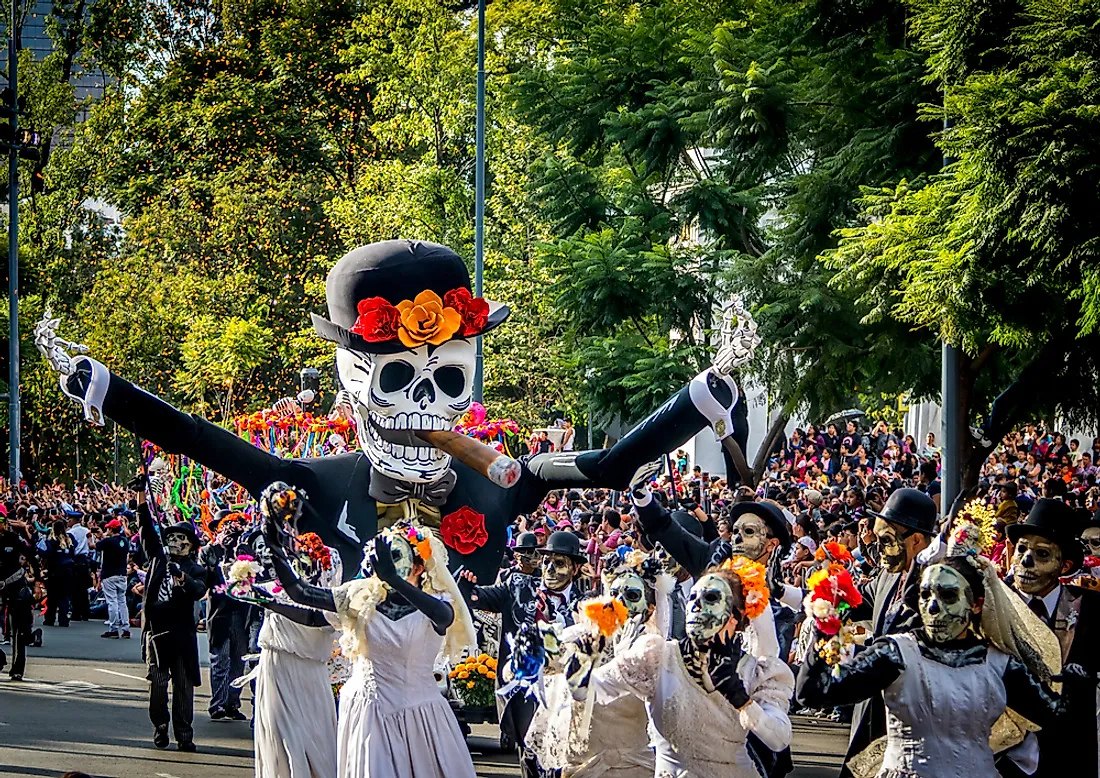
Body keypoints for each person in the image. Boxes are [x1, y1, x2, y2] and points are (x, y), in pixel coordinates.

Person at [798, 522, 1079, 778]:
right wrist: (826, 629)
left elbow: (1057, 721)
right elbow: (815, 692)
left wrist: (1078, 684)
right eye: (925, 595)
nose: (933, 607)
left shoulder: (1000, 665)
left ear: (976, 604)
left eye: (947, 596)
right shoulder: (897, 654)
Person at [264, 506, 477, 778]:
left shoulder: (436, 605)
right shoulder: (361, 600)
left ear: (419, 566)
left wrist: (393, 581)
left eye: (398, 557)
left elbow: (443, 616)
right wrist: (274, 546)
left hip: (421, 716)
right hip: (369, 713)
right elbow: (300, 592)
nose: (388, 565)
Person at [585, 558, 793, 778]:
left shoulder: (756, 672)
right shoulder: (656, 657)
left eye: (711, 598)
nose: (696, 605)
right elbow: (595, 688)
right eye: (693, 596)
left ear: (737, 616)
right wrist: (578, 661)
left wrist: (741, 699)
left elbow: (779, 739)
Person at [228, 486, 344, 778]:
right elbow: (275, 590)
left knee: (313, 741)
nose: (289, 525)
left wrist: (269, 601)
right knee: (279, 739)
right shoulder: (277, 556)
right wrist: (246, 588)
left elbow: (321, 615)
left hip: (309, 666)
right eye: (284, 518)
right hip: (276, 662)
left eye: (294, 517)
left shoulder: (329, 559)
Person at [1002, 499, 1100, 778]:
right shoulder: (990, 607)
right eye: (1021, 549)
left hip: (1066, 759)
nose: (1026, 561)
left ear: (1064, 565)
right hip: (999, 760)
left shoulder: (1091, 610)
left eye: (1042, 554)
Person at [135, 480, 209, 752]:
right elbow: (145, 528)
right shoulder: (157, 557)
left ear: (191, 545)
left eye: (180, 538)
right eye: (171, 538)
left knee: (183, 686)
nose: (174, 542)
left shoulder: (196, 570)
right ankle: (160, 725)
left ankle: (184, 733)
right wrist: (141, 495)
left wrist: (181, 577)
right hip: (157, 631)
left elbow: (199, 590)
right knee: (157, 681)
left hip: (182, 633)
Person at [0, 511, 41, 680]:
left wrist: (37, 582)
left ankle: (18, 667)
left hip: (14, 585)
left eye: (1, 520)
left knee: (19, 631)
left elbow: (32, 557)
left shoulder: (13, 539)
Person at [94, 518, 131, 639]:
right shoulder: (125, 541)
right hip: (122, 574)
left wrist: (95, 537)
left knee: (112, 602)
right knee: (122, 601)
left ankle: (113, 628)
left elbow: (94, 546)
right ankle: (126, 628)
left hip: (109, 574)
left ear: (111, 529)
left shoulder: (108, 541)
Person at [41, 519, 76, 629]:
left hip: (55, 571)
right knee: (64, 596)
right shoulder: (69, 539)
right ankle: (63, 619)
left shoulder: (52, 540)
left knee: (52, 596)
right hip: (68, 571)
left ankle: (50, 618)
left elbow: (47, 553)